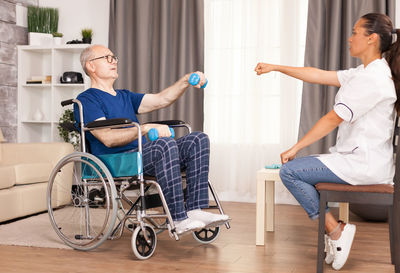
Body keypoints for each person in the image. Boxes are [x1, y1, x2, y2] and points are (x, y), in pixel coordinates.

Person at [254, 13, 400, 270]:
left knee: (290, 171)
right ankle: (336, 230)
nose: (349, 38)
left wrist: (295, 147)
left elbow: (333, 118)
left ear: (371, 38)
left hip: (363, 164)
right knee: (297, 171)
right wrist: (276, 67)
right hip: (358, 159)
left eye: (355, 32)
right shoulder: (366, 72)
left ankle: (336, 231)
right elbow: (318, 75)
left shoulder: (373, 79)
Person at [74, 44, 229, 235]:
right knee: (164, 144)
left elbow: (161, 100)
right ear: (91, 66)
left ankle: (195, 210)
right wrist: (145, 128)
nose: (114, 61)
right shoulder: (87, 99)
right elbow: (108, 138)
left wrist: (186, 80)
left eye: (114, 58)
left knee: (198, 139)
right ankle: (178, 218)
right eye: (107, 58)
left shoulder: (125, 96)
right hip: (117, 161)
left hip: (143, 156)